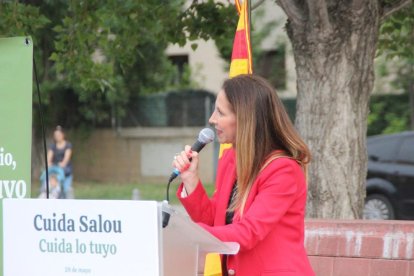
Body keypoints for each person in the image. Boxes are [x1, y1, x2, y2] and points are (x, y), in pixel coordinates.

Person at [173, 74, 315, 276]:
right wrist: (191, 180)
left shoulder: (283, 170)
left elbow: (248, 233)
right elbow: (216, 221)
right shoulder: (231, 159)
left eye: (220, 112)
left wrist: (189, 235)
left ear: (245, 119)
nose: (212, 119)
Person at [47, 125, 74, 199]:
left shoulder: (68, 145)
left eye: (58, 135)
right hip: (55, 172)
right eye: (55, 135)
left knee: (67, 190)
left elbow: (66, 159)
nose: (57, 136)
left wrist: (62, 164)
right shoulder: (52, 146)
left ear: (63, 135)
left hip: (65, 172)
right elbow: (48, 159)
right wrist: (49, 163)